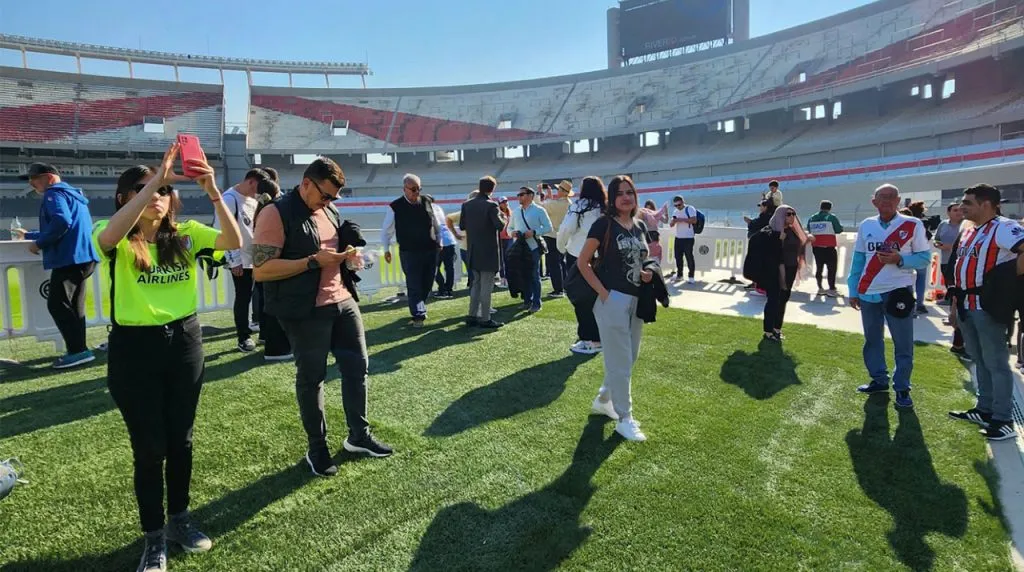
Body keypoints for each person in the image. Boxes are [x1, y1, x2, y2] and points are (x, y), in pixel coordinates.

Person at [93, 144, 242, 572]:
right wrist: (156, 178)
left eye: (161, 190)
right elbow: (106, 238)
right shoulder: (114, 235)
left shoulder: (187, 233)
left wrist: (213, 189)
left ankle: (179, 520)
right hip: (133, 351)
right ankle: (153, 538)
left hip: (184, 343)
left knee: (182, 442)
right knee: (149, 448)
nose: (155, 195)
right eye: (142, 189)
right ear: (126, 197)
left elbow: (234, 243)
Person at [253, 157, 393, 478]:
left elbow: (334, 245)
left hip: (342, 300)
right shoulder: (275, 213)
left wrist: (349, 254)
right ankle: (317, 447)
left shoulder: (328, 209)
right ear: (306, 184)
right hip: (305, 310)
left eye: (334, 198)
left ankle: (358, 436)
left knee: (357, 369)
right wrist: (313, 261)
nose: (329, 202)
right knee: (312, 378)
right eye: (325, 195)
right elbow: (261, 271)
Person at [576, 175, 653, 442]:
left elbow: (644, 257)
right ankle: (625, 418)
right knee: (621, 362)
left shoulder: (639, 225)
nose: (625, 197)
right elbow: (583, 262)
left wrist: (646, 272)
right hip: (613, 299)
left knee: (628, 358)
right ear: (612, 197)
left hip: (637, 299)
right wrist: (605, 294)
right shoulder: (603, 224)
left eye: (629, 192)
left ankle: (604, 399)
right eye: (619, 193)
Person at [947, 184, 1024, 442]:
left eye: (968, 202)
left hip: (987, 306)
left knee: (997, 364)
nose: (962, 206)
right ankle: (985, 409)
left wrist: (1009, 282)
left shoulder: (1003, 227)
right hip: (967, 304)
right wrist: (955, 307)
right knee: (979, 360)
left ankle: (1003, 419)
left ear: (986, 204)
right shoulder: (971, 231)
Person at [847, 184, 931, 410]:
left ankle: (902, 388)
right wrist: (853, 290)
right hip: (868, 292)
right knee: (872, 339)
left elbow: (924, 258)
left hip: (898, 291)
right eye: (881, 198)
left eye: (891, 197)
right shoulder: (867, 225)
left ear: (898, 201)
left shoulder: (912, 224)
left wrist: (900, 260)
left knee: (903, 342)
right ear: (873, 201)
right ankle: (879, 379)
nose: (886, 201)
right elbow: (858, 260)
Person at [11, 163, 100, 369]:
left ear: (49, 178)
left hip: (69, 258)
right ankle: (79, 350)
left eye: (34, 178)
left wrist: (39, 243)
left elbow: (61, 221)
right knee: (74, 305)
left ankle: (78, 351)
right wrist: (31, 235)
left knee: (57, 304)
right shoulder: (73, 194)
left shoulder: (53, 194)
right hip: (83, 257)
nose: (32, 183)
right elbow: (66, 223)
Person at [216, 168, 270, 352]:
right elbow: (223, 231)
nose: (259, 192)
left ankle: (264, 332)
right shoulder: (229, 199)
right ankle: (243, 337)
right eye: (258, 187)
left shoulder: (252, 200)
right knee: (243, 297)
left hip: (255, 258)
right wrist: (234, 260)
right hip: (240, 259)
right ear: (251, 182)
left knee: (261, 295)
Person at [380, 174, 441, 327]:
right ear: (405, 189)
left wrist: (440, 241)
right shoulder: (395, 207)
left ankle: (420, 305)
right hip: (409, 252)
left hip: (430, 249)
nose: (416, 193)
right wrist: (386, 249)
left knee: (427, 282)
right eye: (413, 189)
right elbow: (386, 231)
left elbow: (436, 223)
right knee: (413, 283)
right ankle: (418, 315)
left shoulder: (427, 201)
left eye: (418, 189)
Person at [558, 176, 607, 355]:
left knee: (580, 299)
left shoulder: (579, 206)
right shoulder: (605, 208)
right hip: (600, 257)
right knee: (598, 298)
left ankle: (591, 340)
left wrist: (560, 247)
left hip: (579, 255)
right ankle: (597, 336)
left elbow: (566, 229)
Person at [251, 179, 292, 362]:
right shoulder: (272, 212)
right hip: (273, 265)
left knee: (268, 305)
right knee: (276, 307)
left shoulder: (260, 211)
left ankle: (267, 339)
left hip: (263, 266)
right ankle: (276, 349)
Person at [757, 205, 811, 341]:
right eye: (788, 214)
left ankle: (777, 328)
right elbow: (762, 243)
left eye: (793, 213)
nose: (792, 216)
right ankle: (768, 330)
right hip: (775, 269)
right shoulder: (771, 230)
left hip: (791, 268)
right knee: (774, 299)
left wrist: (807, 239)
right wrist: (777, 237)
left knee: (784, 299)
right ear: (781, 215)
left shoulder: (793, 231)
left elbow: (801, 241)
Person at [459, 176, 506, 328]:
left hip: (473, 250)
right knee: (487, 286)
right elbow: (499, 226)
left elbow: (462, 226)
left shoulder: (467, 205)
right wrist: (503, 218)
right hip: (488, 252)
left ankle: (472, 315)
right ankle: (485, 318)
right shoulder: (491, 206)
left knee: (476, 284)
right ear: (492, 189)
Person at [509, 186, 552, 313]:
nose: (519, 197)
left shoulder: (539, 210)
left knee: (534, 275)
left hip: (533, 247)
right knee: (523, 275)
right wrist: (513, 233)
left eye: (521, 194)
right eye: (519, 194)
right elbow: (509, 228)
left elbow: (548, 227)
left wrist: (534, 232)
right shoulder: (516, 211)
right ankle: (527, 301)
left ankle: (536, 303)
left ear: (530, 195)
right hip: (520, 248)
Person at [935, 203, 967, 357]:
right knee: (952, 292)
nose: (959, 212)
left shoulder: (967, 225)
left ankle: (956, 324)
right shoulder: (943, 225)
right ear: (948, 213)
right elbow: (936, 240)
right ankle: (954, 320)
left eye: (960, 210)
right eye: (955, 210)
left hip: (962, 265)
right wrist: (942, 246)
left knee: (958, 296)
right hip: (946, 263)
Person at [905, 200, 939, 315]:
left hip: (908, 255)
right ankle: (920, 303)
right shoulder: (922, 223)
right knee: (921, 279)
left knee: (908, 280)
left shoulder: (907, 222)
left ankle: (909, 304)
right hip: (920, 254)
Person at [541, 180, 574, 297]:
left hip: (552, 235)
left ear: (563, 192)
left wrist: (542, 194)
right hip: (563, 236)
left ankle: (558, 289)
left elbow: (542, 205)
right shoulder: (569, 203)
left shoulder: (556, 204)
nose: (557, 191)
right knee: (561, 263)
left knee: (553, 264)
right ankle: (564, 286)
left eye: (559, 189)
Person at [807, 200, 843, 297]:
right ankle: (831, 289)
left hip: (817, 247)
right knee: (831, 268)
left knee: (819, 268)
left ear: (820, 207)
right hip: (829, 247)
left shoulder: (812, 218)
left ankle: (820, 288)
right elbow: (839, 230)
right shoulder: (832, 217)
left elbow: (809, 230)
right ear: (830, 208)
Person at [430, 195, 457, 300]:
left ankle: (442, 288)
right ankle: (448, 289)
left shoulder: (428, 209)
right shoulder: (438, 207)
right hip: (449, 239)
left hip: (439, 241)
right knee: (449, 267)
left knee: (434, 267)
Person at [743, 199, 772, 297]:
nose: (760, 208)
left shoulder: (766, 217)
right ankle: (756, 284)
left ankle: (760, 288)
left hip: (760, 245)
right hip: (762, 245)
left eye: (761, 206)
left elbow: (758, 225)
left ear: (766, 207)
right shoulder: (767, 217)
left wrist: (750, 222)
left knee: (758, 265)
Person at [669, 195, 697, 284]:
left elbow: (694, 220)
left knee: (689, 257)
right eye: (676, 205)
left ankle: (691, 276)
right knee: (678, 257)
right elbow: (671, 224)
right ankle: (679, 275)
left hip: (688, 238)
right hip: (678, 238)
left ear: (683, 202)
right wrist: (673, 222)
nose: (678, 207)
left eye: (679, 205)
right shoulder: (675, 211)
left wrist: (681, 219)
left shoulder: (690, 208)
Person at [638, 199, 669, 263]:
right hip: (646, 233)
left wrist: (666, 212)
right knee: (647, 249)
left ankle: (655, 263)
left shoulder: (656, 214)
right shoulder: (643, 214)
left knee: (655, 249)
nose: (648, 210)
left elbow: (665, 221)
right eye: (647, 208)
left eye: (650, 208)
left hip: (654, 233)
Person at [497, 197, 513, 288]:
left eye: (506, 202)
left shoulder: (510, 213)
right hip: (500, 238)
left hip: (509, 238)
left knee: (509, 258)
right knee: (501, 259)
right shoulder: (498, 213)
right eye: (503, 202)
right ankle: (503, 278)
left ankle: (509, 278)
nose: (505, 204)